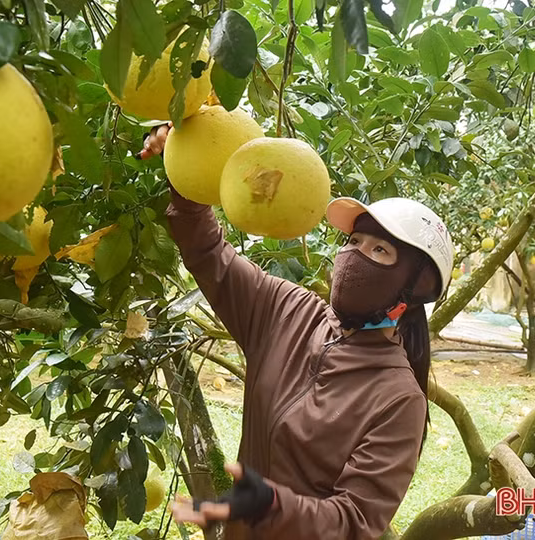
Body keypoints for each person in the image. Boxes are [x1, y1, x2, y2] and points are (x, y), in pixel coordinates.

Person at [138, 124, 454, 539]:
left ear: (413, 291)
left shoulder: (398, 400)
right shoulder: (286, 310)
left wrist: (272, 506)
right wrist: (186, 164)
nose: (355, 257)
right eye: (354, 241)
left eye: (380, 251)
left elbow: (355, 522)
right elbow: (208, 252)